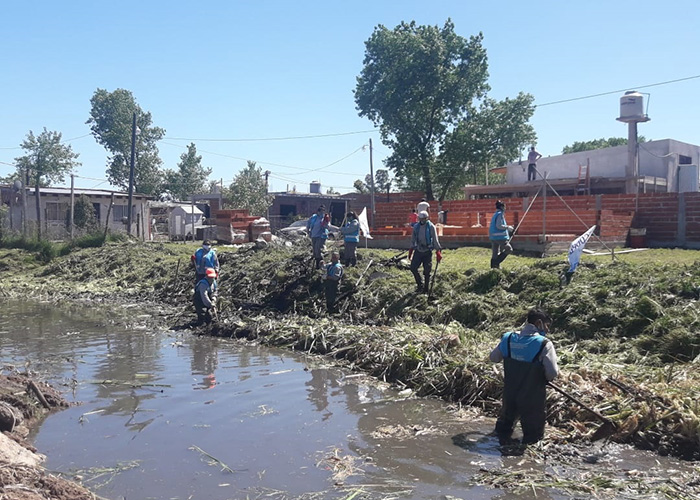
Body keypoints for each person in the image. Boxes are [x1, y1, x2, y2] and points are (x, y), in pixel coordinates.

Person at [489, 308, 559, 445]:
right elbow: (552, 374)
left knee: (502, 432)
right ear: (539, 323)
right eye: (547, 325)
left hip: (510, 394)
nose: (548, 330)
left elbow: (494, 358)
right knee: (533, 438)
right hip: (532, 398)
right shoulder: (545, 344)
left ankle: (501, 451)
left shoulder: (508, 338)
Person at [408, 210, 442, 293]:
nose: (422, 220)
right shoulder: (416, 227)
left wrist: (438, 251)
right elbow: (413, 238)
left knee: (427, 270)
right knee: (413, 268)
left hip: (427, 251)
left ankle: (426, 288)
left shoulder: (431, 227)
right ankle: (420, 285)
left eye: (424, 219)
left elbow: (435, 239)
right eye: (421, 219)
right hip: (418, 250)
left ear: (427, 218)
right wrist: (411, 249)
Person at [489, 201, 513, 269]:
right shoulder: (500, 214)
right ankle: (496, 263)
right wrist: (508, 227)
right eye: (504, 207)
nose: (505, 209)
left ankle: (494, 268)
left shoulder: (495, 214)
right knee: (509, 249)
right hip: (500, 237)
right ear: (502, 207)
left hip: (493, 237)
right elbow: (499, 225)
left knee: (495, 253)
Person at [307, 205, 330, 269]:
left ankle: (320, 265)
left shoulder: (325, 218)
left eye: (323, 211)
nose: (322, 212)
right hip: (314, 235)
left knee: (318, 250)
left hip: (321, 236)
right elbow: (308, 224)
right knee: (315, 251)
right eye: (320, 211)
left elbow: (328, 226)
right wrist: (308, 231)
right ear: (318, 211)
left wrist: (325, 224)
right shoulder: (314, 217)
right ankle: (317, 264)